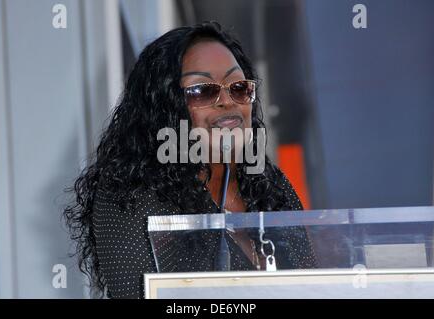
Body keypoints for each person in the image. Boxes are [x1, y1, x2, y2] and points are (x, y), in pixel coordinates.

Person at [64, 21, 317, 299]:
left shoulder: (270, 185)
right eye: (203, 91)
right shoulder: (130, 196)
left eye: (238, 87)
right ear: (164, 106)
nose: (227, 101)